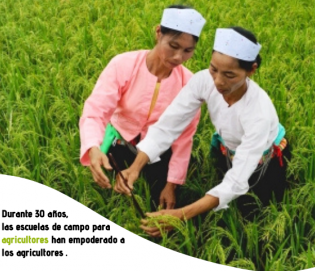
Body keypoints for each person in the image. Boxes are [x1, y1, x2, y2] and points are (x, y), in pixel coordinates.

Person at [115, 27, 291, 237]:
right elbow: (168, 125)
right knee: (219, 189)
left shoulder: (258, 113)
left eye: (229, 75)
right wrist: (135, 167)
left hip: (265, 160)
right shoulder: (203, 81)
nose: (218, 81)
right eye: (213, 69)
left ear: (251, 70)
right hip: (226, 148)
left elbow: (236, 181)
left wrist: (181, 214)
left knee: (252, 215)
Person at [79, 5, 206, 210]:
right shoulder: (124, 65)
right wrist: (93, 148)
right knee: (109, 191)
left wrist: (171, 185)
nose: (177, 57)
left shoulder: (188, 85)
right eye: (173, 46)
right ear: (158, 33)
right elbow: (96, 111)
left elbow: (184, 138)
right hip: (121, 140)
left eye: (187, 51)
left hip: (158, 150)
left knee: (159, 197)